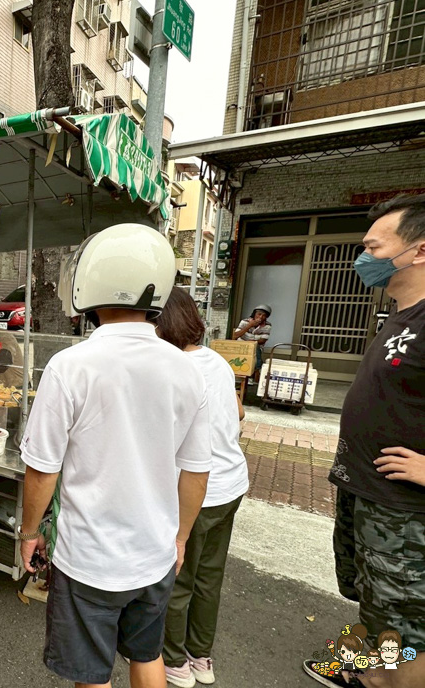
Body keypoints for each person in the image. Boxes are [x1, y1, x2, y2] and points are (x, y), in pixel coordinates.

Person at [18, 224, 212, 688]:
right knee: (147, 657)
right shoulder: (186, 371)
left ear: (88, 286)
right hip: (155, 554)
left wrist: (29, 533)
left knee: (91, 672)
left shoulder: (70, 366)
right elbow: (197, 472)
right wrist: (180, 538)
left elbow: (42, 469)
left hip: (89, 557)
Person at [302, 194, 425, 688]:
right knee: (376, 601)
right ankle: (368, 671)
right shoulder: (402, 314)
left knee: (407, 622)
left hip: (404, 510)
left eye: (374, 246)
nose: (363, 257)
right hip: (369, 495)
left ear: (418, 250)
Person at [156, 288, 248, 688]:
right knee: (210, 578)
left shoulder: (174, 369)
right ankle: (201, 657)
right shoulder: (215, 361)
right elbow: (239, 412)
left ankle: (174, 661)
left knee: (179, 576)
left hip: (199, 490)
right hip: (232, 484)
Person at [233, 304, 272, 384]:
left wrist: (250, 340)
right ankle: (252, 372)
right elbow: (236, 335)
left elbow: (263, 340)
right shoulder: (245, 322)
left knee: (255, 347)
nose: (261, 317)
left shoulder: (267, 325)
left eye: (264, 316)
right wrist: (249, 325)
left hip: (255, 347)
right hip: (241, 345)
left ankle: (251, 375)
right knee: (251, 347)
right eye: (259, 314)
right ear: (254, 314)